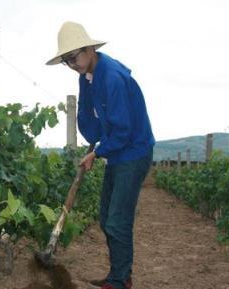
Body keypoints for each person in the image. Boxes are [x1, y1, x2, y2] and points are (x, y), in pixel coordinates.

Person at [46, 21, 155, 289]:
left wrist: (97, 153)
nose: (72, 64)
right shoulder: (87, 77)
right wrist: (89, 124)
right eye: (67, 61)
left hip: (133, 152)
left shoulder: (114, 78)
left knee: (117, 221)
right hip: (117, 153)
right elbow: (91, 126)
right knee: (107, 218)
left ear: (90, 48)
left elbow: (123, 130)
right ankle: (119, 275)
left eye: (74, 57)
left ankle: (119, 281)